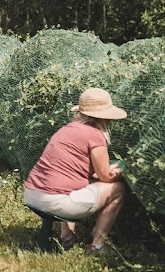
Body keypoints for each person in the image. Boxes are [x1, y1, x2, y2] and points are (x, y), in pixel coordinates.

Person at [23, 87, 128, 254]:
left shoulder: (68, 129)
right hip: (54, 201)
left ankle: (66, 236)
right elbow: (106, 176)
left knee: (78, 183)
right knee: (118, 189)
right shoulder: (95, 134)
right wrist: (123, 169)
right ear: (104, 117)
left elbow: (75, 170)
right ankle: (98, 245)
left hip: (32, 194)